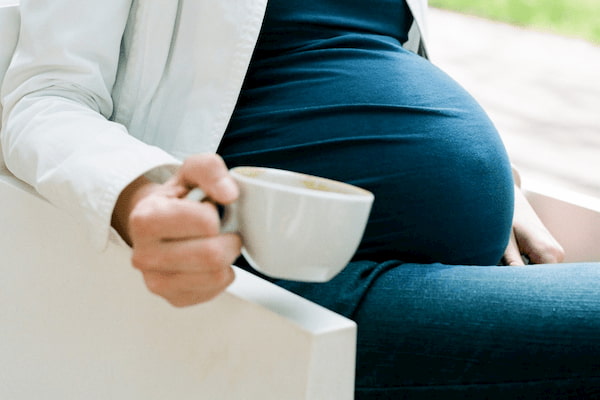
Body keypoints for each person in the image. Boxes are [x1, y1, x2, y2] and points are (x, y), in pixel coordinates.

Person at [2, 0, 598, 398]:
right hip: (284, 289)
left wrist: (497, 181)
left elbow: (365, 54)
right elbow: (42, 98)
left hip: (420, 266)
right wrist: (139, 194)